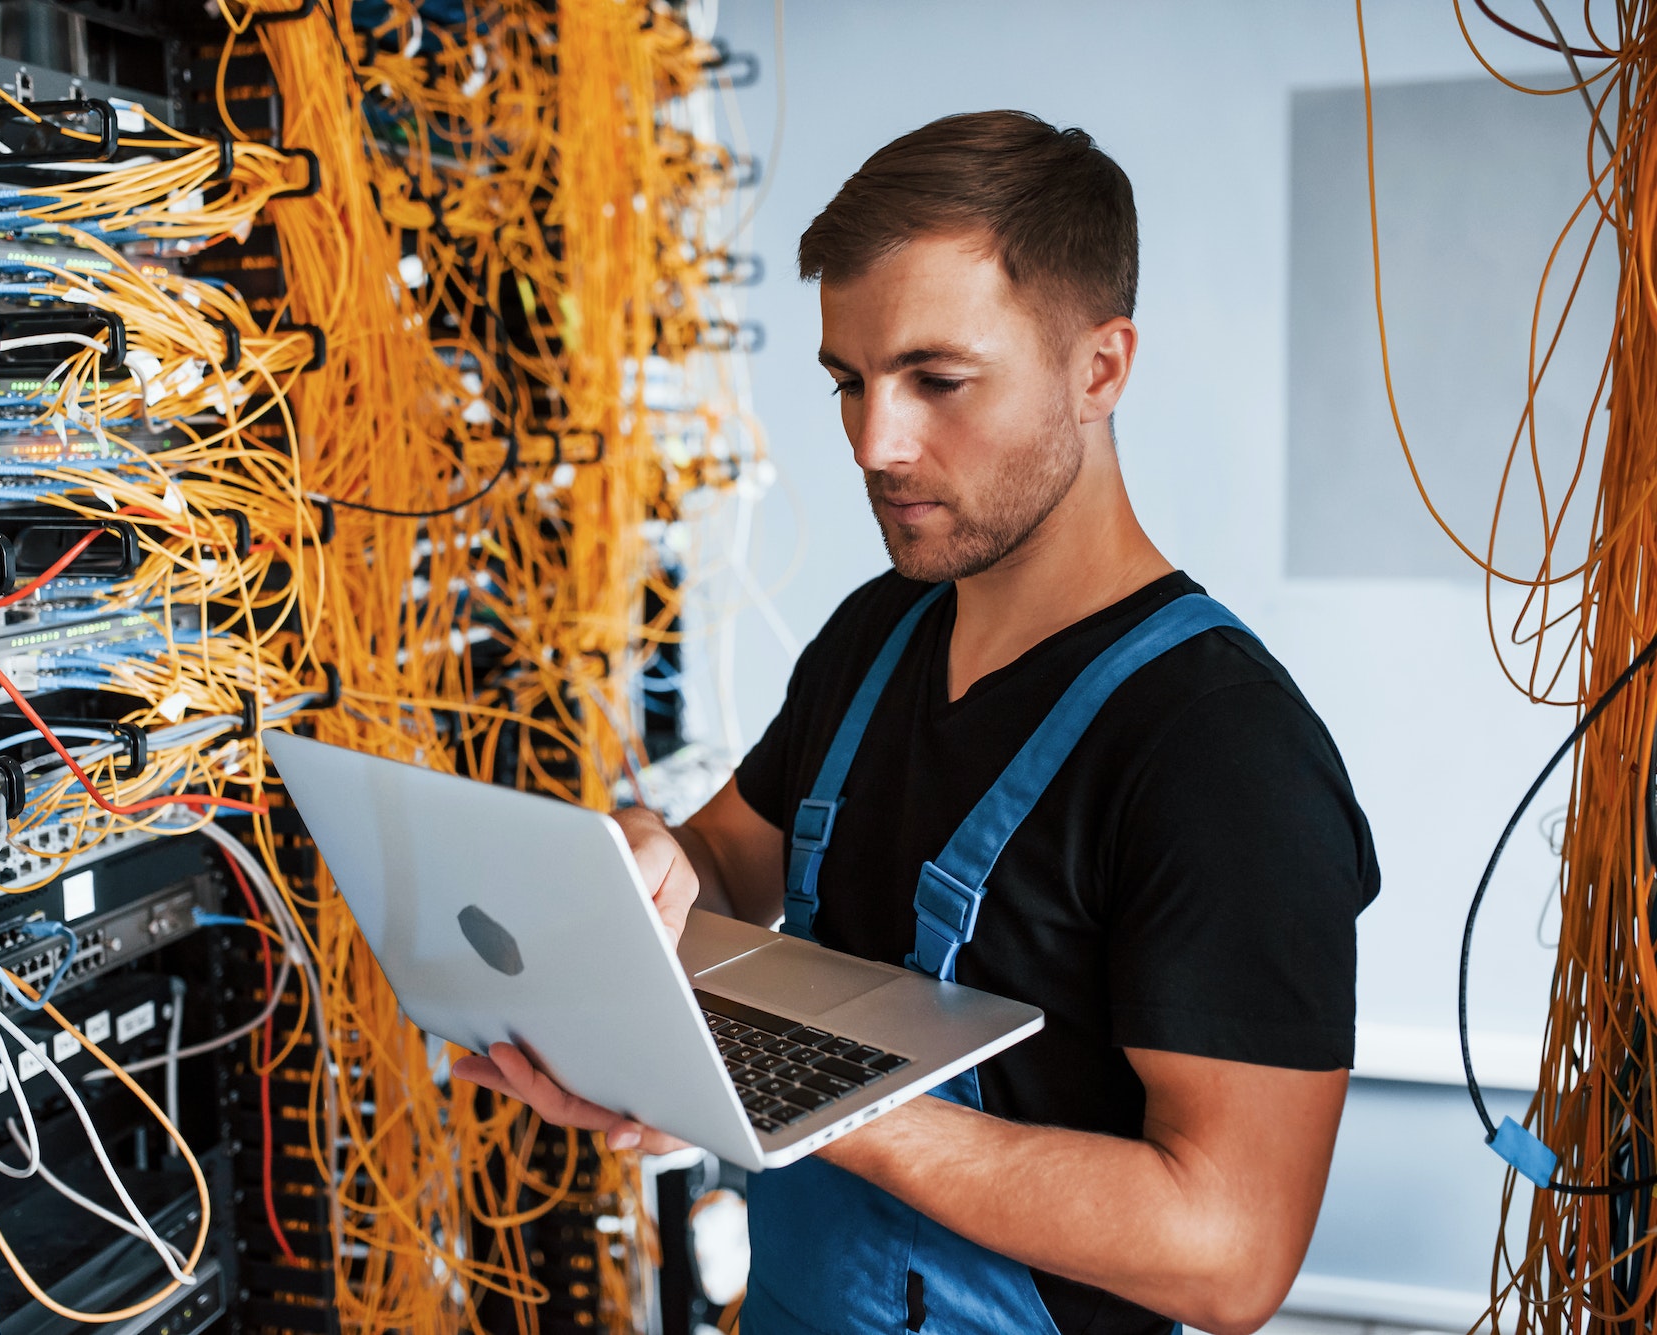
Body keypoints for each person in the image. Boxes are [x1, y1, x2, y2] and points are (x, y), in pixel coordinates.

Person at [454, 110, 1379, 1335]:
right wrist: (648, 855)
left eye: (936, 380)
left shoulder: (1221, 754)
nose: (873, 445)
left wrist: (794, 1096)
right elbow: (731, 865)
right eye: (849, 382)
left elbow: (1227, 1253)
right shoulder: (879, 632)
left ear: (1098, 369)